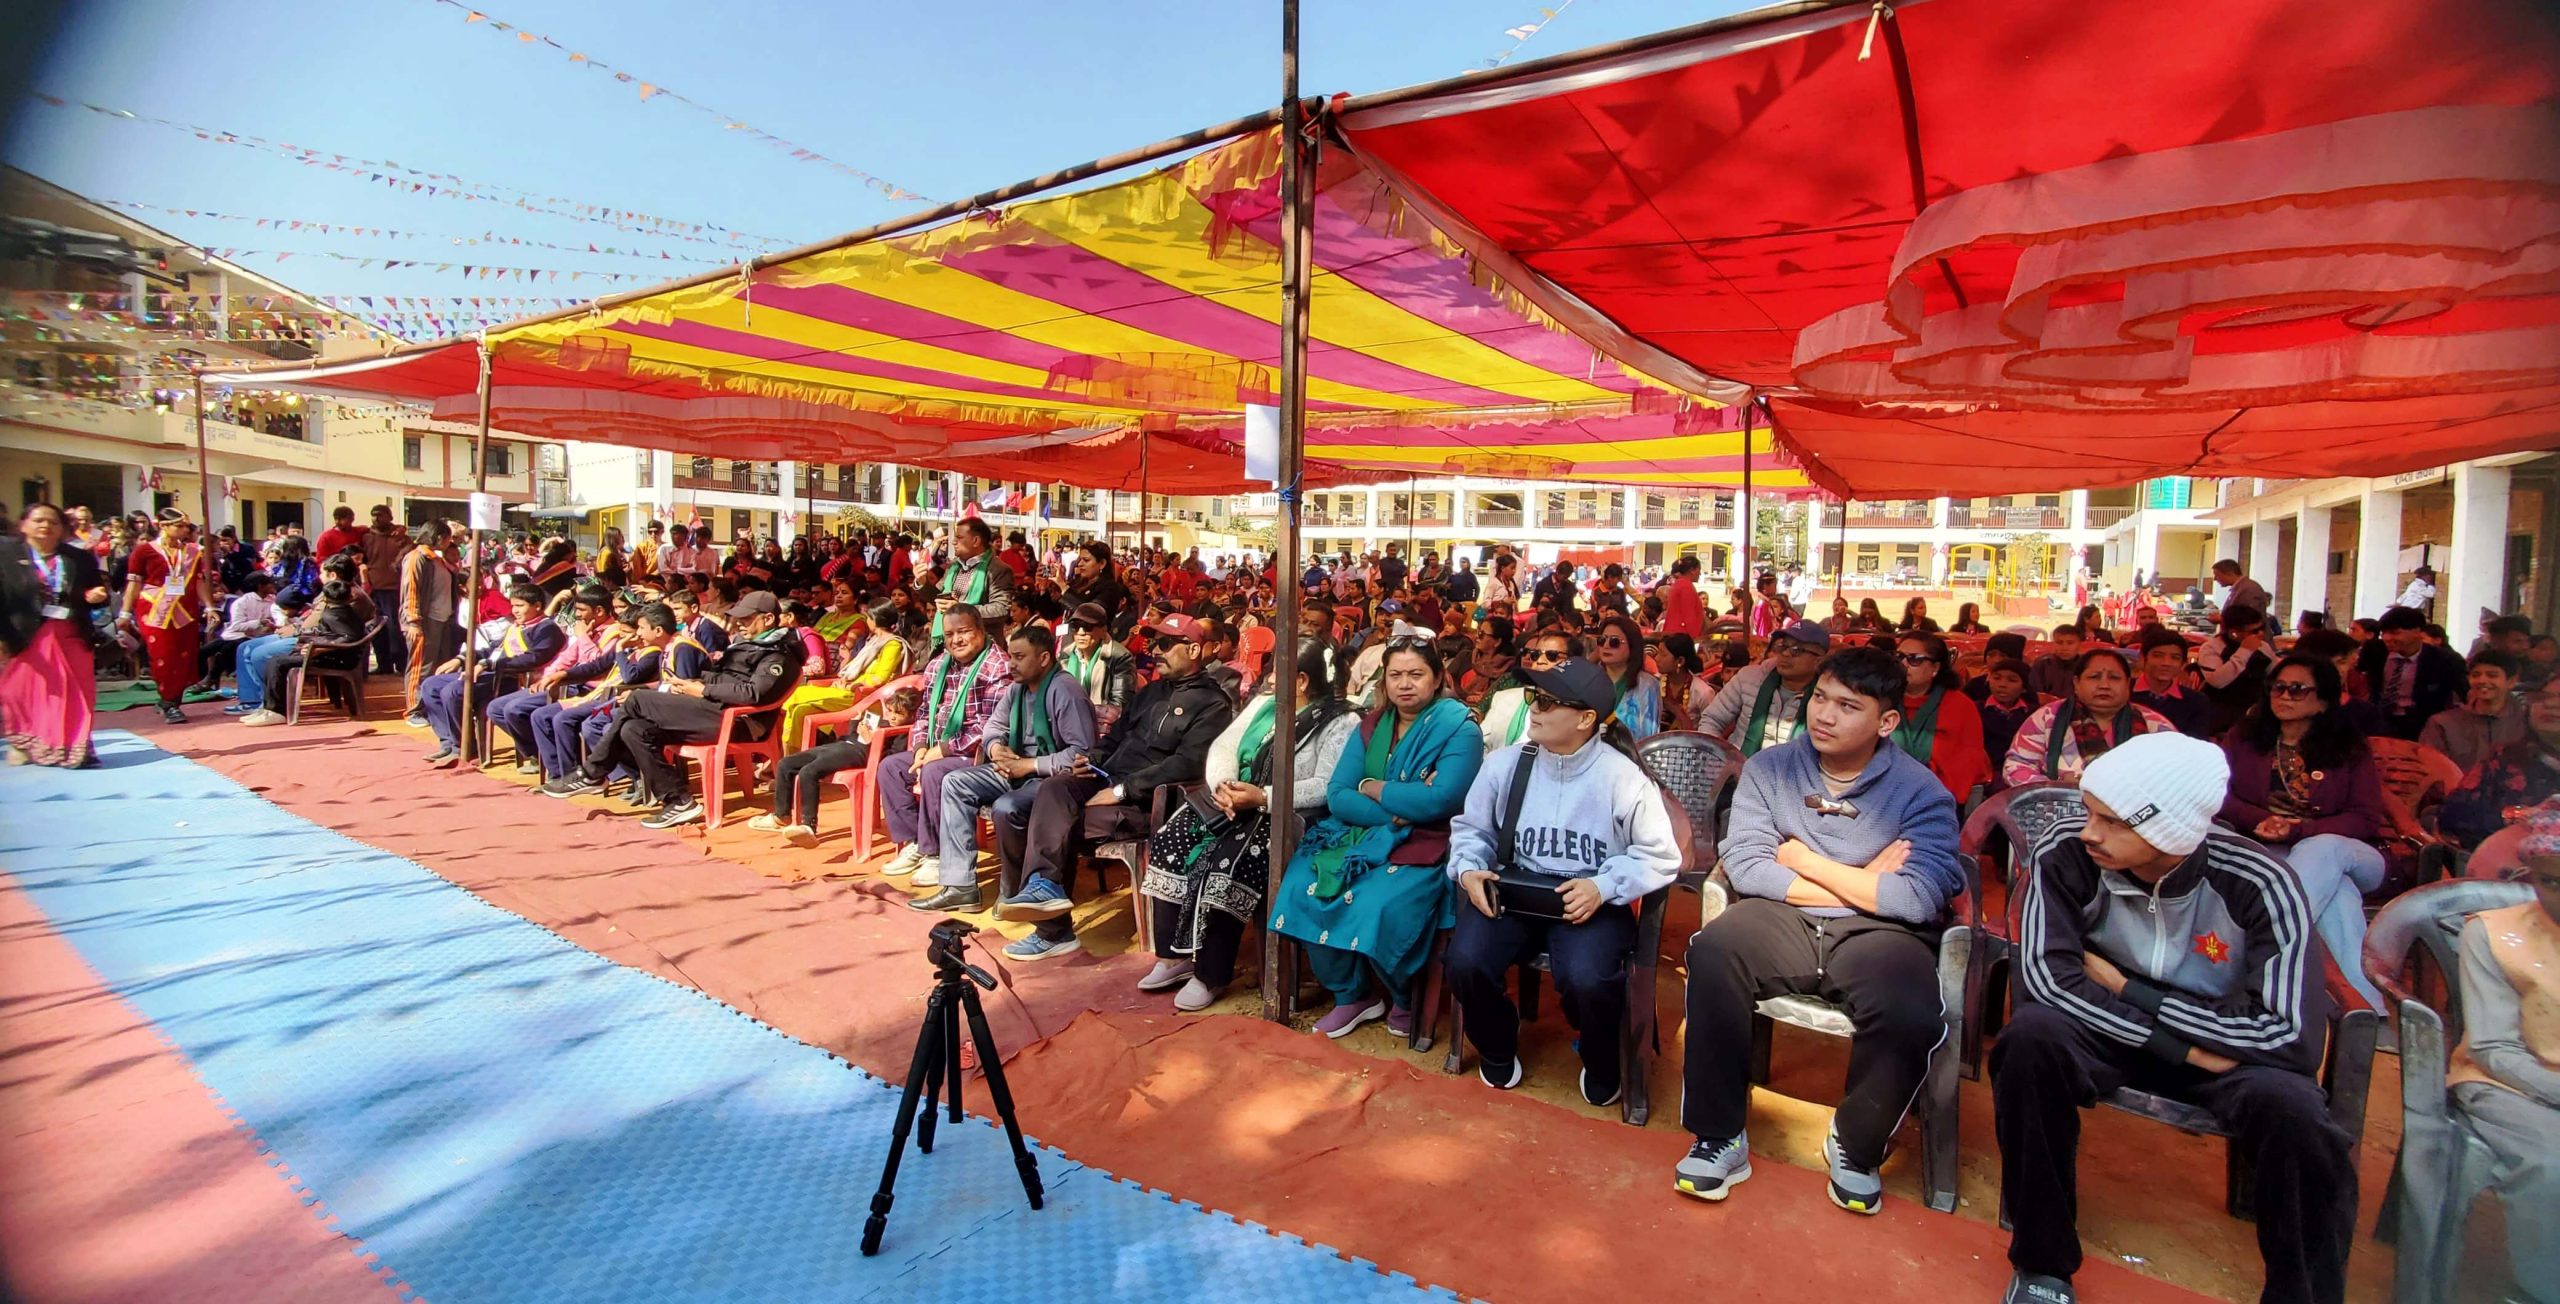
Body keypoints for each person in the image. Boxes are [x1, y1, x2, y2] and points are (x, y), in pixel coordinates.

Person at [1995, 732, 2353, 1304]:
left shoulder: (2260, 881)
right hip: (2119, 1030)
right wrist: (2177, 1048)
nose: (2089, 832)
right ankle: (2042, 1264)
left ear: (2171, 830)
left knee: (2298, 1113)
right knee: (2030, 1040)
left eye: (2112, 821)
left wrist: (2134, 990)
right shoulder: (2065, 852)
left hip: (2225, 1045)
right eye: (2090, 812)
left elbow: (2288, 1033)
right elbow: (2048, 980)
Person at [1677, 645, 1964, 1213]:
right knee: (1713, 953)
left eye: (1848, 706)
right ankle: (1719, 1134)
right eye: (1821, 699)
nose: (1825, 716)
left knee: (1911, 1009)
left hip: (1877, 933)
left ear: (1886, 721)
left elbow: (1917, 897)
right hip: (1780, 915)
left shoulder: (1921, 792)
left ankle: (1856, 1144)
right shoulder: (1770, 769)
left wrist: (1805, 861)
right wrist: (1866, 880)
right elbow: (1749, 867)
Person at [1443, 655, 1679, 1102]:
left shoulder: (1622, 777)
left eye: (1549, 702)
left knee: (1590, 978)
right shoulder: (1505, 764)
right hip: (1516, 894)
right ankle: (1497, 1041)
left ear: (1586, 719)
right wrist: (1469, 868)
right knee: (1465, 962)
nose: (1534, 708)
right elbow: (1472, 829)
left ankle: (1600, 1055)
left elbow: (1661, 855)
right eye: (1534, 696)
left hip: (1588, 901)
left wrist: (1603, 886)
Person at [1269, 637, 1483, 1034]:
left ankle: (1404, 996)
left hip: (1429, 842)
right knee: (1304, 885)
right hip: (1363, 835)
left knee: (1379, 902)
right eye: (1395, 675)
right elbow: (1338, 795)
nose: (1405, 684)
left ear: (1438, 678)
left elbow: (1443, 799)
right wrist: (1401, 810)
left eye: (1416, 674)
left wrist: (1373, 786)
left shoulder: (1459, 729)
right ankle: (1352, 995)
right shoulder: (1371, 726)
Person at [996, 613, 1235, 961]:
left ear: (1195, 650)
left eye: (1166, 644)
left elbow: (1188, 764)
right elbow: (1116, 737)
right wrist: (1090, 759)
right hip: (1105, 779)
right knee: (1053, 789)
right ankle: (1043, 887)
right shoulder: (1151, 692)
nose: (1156, 650)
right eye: (1154, 642)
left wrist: (1124, 791)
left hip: (1147, 803)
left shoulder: (1213, 704)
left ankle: (1053, 932)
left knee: (1051, 821)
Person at [1141, 640, 1360, 1008]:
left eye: (1278, 671)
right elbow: (1224, 747)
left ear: (1302, 680)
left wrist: (1262, 797)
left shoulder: (1341, 721)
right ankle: (1173, 957)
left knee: (1228, 862)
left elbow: (1325, 784)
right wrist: (1224, 786)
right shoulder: (1264, 704)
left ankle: (1209, 974)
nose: (1269, 679)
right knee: (1171, 839)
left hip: (1282, 814)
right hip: (1234, 801)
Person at [2218, 653, 2391, 1010]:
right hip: (2272, 850)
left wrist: (2300, 830)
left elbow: (2365, 817)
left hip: (2350, 853)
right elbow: (2218, 793)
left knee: (2322, 848)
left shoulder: (2348, 747)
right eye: (2277, 687)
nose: (2284, 696)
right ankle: (2364, 1008)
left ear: (2323, 700)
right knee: (2339, 898)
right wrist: (2259, 819)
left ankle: (2263, 951)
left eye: (2297, 689)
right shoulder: (2245, 738)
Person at [553, 590, 805, 827]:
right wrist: (694, 682)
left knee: (637, 699)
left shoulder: (779, 654)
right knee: (634, 729)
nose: (739, 623)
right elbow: (726, 678)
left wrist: (703, 690)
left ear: (768, 619)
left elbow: (754, 693)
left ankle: (593, 773)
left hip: (741, 723)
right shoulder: (747, 644)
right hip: (715, 711)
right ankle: (678, 800)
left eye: (747, 619)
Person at [2443, 806, 2560, 1301]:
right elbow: (2493, 1047)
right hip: (2505, 1082)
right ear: (2530, 875)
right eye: (2550, 882)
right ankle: (2538, 1290)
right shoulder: (2491, 934)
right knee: (2552, 1165)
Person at [910, 622, 1096, 910]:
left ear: (1044, 658)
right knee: (955, 782)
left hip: (1051, 779)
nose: (1011, 664)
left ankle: (1012, 892)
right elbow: (993, 728)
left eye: (1019, 657)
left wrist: (1029, 765)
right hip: (1012, 768)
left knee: (1006, 807)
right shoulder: (1016, 689)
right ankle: (960, 887)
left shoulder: (1065, 690)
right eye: (1010, 656)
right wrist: (997, 749)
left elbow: (1082, 754)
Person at [875, 606, 1010, 880]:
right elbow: (924, 712)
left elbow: (990, 725)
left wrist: (944, 750)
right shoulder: (938, 664)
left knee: (935, 772)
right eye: (949, 634)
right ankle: (915, 842)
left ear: (981, 631)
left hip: (979, 757)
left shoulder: (998, 666)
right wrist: (921, 747)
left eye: (964, 632)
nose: (956, 640)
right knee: (891, 768)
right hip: (935, 748)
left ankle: (936, 854)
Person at [0, 503, 109, 767]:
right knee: (22, 691)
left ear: (62, 528)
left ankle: (75, 749)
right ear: (23, 524)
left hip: (71, 633)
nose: (45, 526)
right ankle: (25, 740)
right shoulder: (6, 555)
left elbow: (96, 590)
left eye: (53, 522)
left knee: (75, 691)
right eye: (38, 520)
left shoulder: (79, 557)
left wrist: (94, 596)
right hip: (24, 634)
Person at [417, 583, 563, 766]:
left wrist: (489, 664)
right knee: (431, 685)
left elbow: (535, 658)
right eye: (513, 606)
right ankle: (448, 743)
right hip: (491, 673)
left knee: (453, 691)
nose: (515, 611)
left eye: (520, 606)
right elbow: (491, 649)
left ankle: (463, 747)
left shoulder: (546, 629)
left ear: (538, 606)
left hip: (511, 679)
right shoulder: (515, 627)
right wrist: (461, 659)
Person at [484, 587, 617, 772]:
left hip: (590, 690)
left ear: (599, 611)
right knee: (496, 708)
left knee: (519, 710)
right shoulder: (588, 628)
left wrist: (583, 637)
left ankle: (557, 769)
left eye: (581, 610)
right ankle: (538, 753)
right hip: (565, 684)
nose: (577, 615)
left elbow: (595, 664)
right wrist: (547, 677)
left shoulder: (614, 633)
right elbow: (566, 658)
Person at [2003, 649, 2176, 787]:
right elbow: (2016, 766)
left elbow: (2178, 776)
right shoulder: (2047, 718)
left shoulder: (2156, 726)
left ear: (2127, 683)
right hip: (2058, 811)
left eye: (2114, 678)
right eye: (2094, 677)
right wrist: (2055, 789)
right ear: (2076, 683)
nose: (2104, 685)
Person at [117, 508, 213, 724]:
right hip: (154, 609)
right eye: (179, 526)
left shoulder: (192, 552)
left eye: (186, 526)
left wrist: (209, 607)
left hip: (185, 610)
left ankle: (170, 701)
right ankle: (170, 704)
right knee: (163, 656)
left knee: (184, 656)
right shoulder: (144, 551)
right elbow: (134, 584)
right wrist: (124, 613)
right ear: (163, 526)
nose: (184, 530)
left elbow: (198, 581)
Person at [2441, 677, 2560, 850]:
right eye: (2542, 697)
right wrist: (2513, 816)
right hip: (2507, 860)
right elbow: (2452, 815)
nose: (2549, 704)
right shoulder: (2504, 757)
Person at [236, 581, 371, 728]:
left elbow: (349, 638)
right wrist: (304, 637)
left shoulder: (335, 615)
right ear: (349, 597)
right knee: (276, 661)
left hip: (335, 659)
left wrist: (319, 649)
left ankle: (276, 711)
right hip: (331, 655)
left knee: (277, 663)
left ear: (325, 598)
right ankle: (269, 707)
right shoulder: (341, 611)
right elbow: (328, 633)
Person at [1697, 620, 1828, 756]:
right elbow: (1711, 720)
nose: (1785, 654)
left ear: (1818, 660)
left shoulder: (1828, 698)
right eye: (1782, 646)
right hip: (1739, 764)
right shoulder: (1749, 678)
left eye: (1796, 650)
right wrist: (1719, 758)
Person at [1891, 632, 1992, 801]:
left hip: (1938, 798)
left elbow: (1965, 763)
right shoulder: (1881, 699)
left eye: (1914, 659)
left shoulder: (1960, 706)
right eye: (1898, 657)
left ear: (1935, 668)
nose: (1903, 664)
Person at [2359, 605, 2469, 741]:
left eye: (2395, 633)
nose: (2387, 638)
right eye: (2384, 633)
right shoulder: (2375, 651)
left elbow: (2463, 691)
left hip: (2422, 724)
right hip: (2379, 720)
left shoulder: (2444, 659)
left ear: (2418, 632)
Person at [2420, 651, 2529, 773]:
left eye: (2492, 675)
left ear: (2511, 681)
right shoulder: (2443, 723)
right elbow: (2431, 767)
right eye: (2476, 675)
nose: (2482, 680)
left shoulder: (2526, 721)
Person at [398, 521, 461, 726]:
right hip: (425, 621)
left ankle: (433, 707)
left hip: (442, 619)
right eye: (448, 538)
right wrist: (413, 621)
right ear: (440, 537)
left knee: (438, 665)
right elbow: (411, 590)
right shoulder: (417, 558)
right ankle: (414, 710)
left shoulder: (436, 559)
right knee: (420, 667)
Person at [2197, 603, 2275, 736]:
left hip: (2254, 710)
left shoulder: (2263, 647)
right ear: (2234, 633)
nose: (2260, 634)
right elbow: (2217, 681)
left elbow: (2274, 672)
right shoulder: (2212, 648)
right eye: (2254, 631)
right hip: (2220, 712)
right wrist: (2245, 651)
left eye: (2262, 628)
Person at [2128, 625, 2211, 738]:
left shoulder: (2197, 702)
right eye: (2158, 656)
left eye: (2175, 658)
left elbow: (2195, 742)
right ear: (2143, 658)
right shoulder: (2123, 692)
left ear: (2183, 664)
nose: (2166, 663)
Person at [1977, 657, 2042, 780]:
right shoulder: (1976, 710)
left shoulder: (2035, 714)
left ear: (2024, 688)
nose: (2002, 684)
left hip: (2025, 771)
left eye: (2012, 680)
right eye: (1996, 678)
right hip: (1985, 773)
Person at [2030, 624, 2085, 702]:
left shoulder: (2086, 665)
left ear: (2079, 644)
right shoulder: (2042, 665)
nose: (2064, 648)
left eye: (2070, 643)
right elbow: (2034, 695)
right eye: (2059, 642)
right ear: (2053, 643)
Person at [1656, 556, 1705, 639]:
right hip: (1681, 636)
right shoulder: (1685, 586)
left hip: (1676, 633)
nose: (1700, 573)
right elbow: (1689, 617)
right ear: (1692, 570)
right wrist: (1693, 639)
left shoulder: (1679, 584)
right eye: (1699, 570)